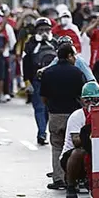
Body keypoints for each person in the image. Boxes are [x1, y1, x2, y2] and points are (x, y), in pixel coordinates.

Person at [40, 43, 88, 190]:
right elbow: (83, 96)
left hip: (55, 114)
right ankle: (72, 178)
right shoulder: (77, 73)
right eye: (74, 55)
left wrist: (51, 107)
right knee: (72, 147)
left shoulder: (48, 72)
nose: (75, 58)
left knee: (56, 146)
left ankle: (58, 179)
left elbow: (43, 97)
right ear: (69, 56)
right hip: (74, 116)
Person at [61, 81, 99, 198]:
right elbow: (76, 141)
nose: (95, 103)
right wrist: (91, 130)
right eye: (92, 100)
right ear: (84, 101)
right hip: (75, 155)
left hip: (97, 151)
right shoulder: (77, 116)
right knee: (79, 152)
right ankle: (71, 185)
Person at [22, 17, 58, 145]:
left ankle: (44, 130)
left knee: (49, 108)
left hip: (54, 81)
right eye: (41, 30)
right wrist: (27, 81)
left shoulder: (55, 42)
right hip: (37, 80)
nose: (44, 32)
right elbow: (25, 63)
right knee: (39, 107)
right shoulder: (30, 44)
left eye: (47, 29)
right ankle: (41, 133)